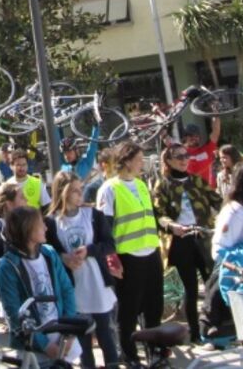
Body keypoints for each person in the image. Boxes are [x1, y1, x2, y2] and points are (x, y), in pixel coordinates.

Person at [96, 141, 163, 366]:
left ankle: (155, 351)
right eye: (139, 159)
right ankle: (129, 354)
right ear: (126, 161)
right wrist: (110, 257)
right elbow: (104, 227)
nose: (142, 163)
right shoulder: (109, 189)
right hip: (127, 257)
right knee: (129, 311)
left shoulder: (141, 185)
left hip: (151, 253)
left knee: (154, 307)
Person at [0, 206, 82, 365]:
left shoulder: (49, 253)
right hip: (33, 349)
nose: (46, 228)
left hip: (61, 339)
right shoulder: (7, 268)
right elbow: (14, 313)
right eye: (41, 224)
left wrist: (68, 332)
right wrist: (45, 345)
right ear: (28, 230)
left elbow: (67, 290)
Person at [47, 172, 118, 367]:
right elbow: (47, 251)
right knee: (83, 340)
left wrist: (89, 250)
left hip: (96, 284)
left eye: (81, 189)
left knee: (105, 335)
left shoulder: (93, 215)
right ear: (63, 192)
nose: (80, 194)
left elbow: (110, 244)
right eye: (75, 191)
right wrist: (63, 258)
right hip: (73, 287)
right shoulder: (51, 221)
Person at [153, 144, 221, 343]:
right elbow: (159, 214)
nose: (184, 160)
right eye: (179, 156)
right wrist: (172, 226)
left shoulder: (196, 180)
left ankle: (215, 326)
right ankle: (195, 333)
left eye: (186, 155)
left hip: (203, 237)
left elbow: (217, 200)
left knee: (213, 283)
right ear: (168, 161)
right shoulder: (162, 184)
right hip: (181, 241)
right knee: (191, 288)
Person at [0, 181, 27, 268]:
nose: (26, 200)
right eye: (22, 197)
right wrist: (11, 260)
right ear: (9, 204)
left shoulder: (27, 223)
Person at [182, 118, 220, 187]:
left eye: (196, 136)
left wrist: (216, 115)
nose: (194, 138)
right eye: (190, 136)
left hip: (206, 190)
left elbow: (215, 132)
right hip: (189, 190)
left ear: (199, 137)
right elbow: (167, 139)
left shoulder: (207, 150)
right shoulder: (180, 151)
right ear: (185, 137)